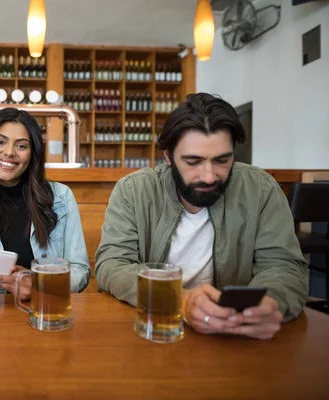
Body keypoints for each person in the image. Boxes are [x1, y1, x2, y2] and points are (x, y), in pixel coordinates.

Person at [95, 93, 308, 340]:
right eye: (193, 161)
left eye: (222, 160)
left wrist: (273, 302)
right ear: (168, 156)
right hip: (155, 330)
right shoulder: (134, 190)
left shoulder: (261, 189)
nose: (208, 176)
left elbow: (284, 266)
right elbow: (112, 265)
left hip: (236, 337)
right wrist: (179, 299)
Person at [0, 108, 90, 298]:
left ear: (33, 153)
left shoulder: (61, 197)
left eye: (21, 146)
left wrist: (40, 285)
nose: (9, 152)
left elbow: (80, 271)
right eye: (0, 142)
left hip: (45, 315)